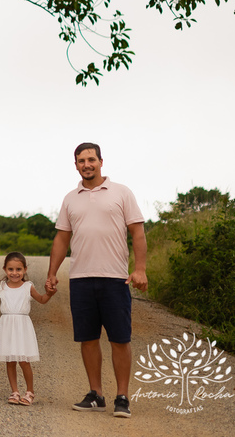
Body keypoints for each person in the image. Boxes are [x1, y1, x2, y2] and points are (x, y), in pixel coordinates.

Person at [45, 142, 147, 419]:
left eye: (91, 159)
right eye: (81, 160)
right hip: (80, 278)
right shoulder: (70, 198)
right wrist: (52, 273)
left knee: (119, 339)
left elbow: (137, 232)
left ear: (101, 161)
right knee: (88, 339)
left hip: (115, 279)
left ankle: (122, 397)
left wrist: (140, 269)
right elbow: (62, 238)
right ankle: (96, 395)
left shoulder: (121, 193)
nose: (86, 164)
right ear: (75, 165)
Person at [0, 251, 56, 406]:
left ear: (25, 270)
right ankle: (14, 391)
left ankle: (30, 392)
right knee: (10, 360)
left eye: (18, 269)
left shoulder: (28, 287)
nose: (14, 273)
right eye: (11, 269)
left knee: (24, 360)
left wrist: (49, 293)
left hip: (22, 326)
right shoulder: (2, 286)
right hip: (7, 325)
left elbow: (42, 300)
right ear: (5, 270)